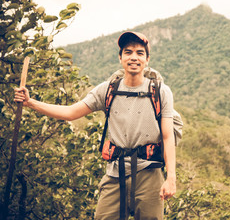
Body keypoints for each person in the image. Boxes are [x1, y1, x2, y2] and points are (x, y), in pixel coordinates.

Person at [14, 31, 176, 220]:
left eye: (140, 53)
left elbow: (167, 136)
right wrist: (30, 102)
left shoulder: (160, 92)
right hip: (116, 173)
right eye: (128, 52)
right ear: (120, 57)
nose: (134, 57)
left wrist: (171, 177)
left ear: (147, 60)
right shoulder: (107, 89)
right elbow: (70, 113)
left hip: (150, 173)